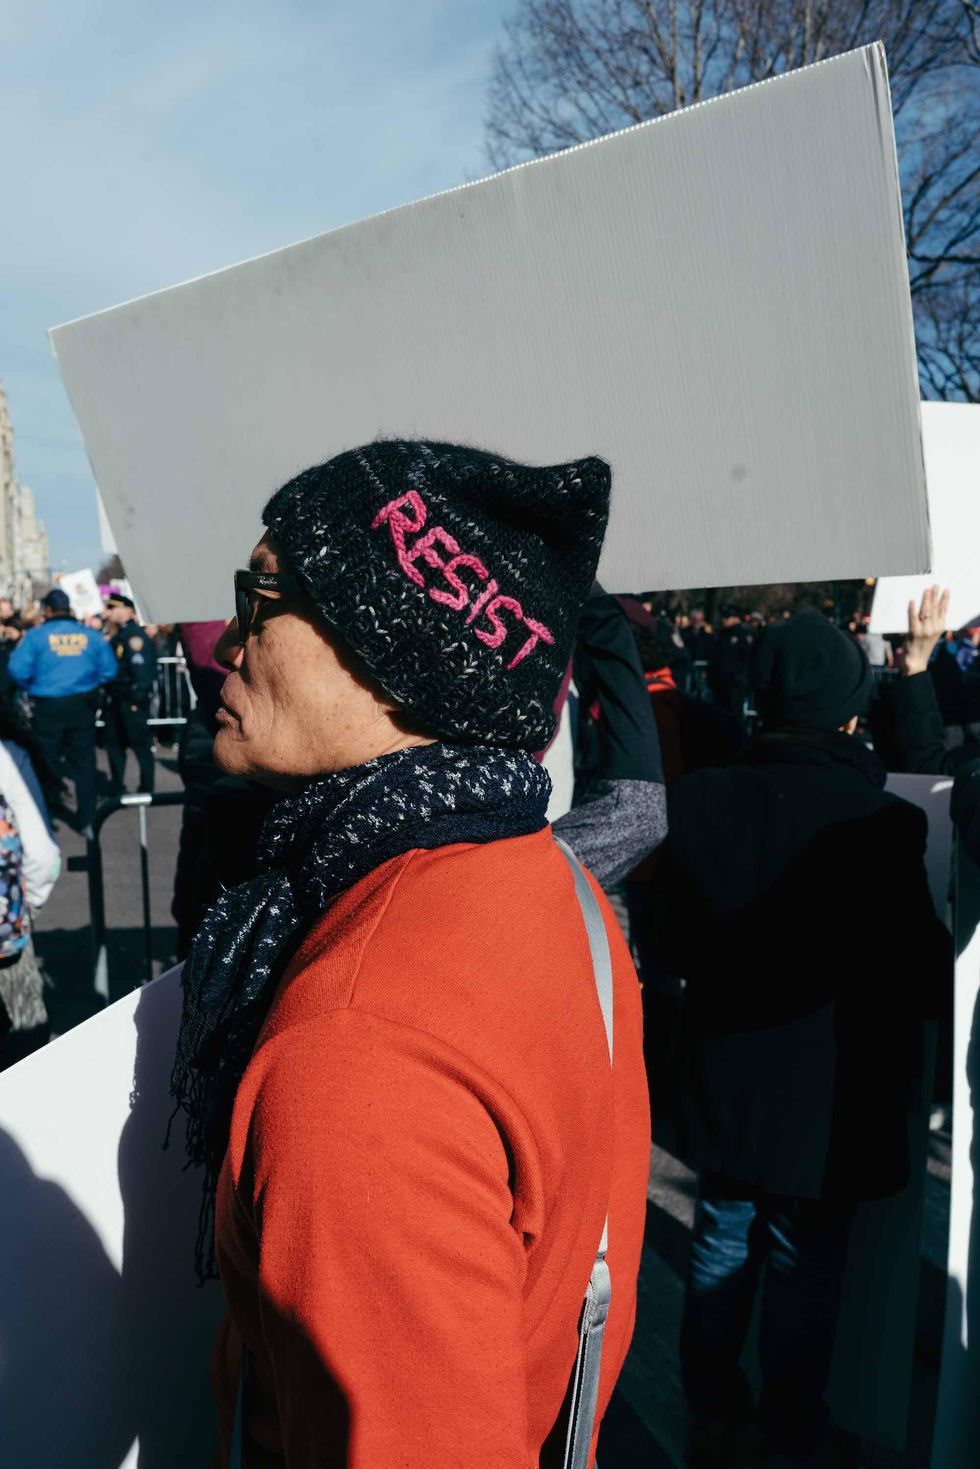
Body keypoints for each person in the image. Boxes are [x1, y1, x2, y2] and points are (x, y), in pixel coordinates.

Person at [169, 440, 651, 1467]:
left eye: (262, 598)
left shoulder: (356, 1053)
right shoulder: (554, 882)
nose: (225, 645)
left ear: (398, 656)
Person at [653, 611, 951, 1468]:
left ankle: (710, 1406)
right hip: (825, 1107)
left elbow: (668, 946)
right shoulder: (880, 824)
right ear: (849, 710)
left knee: (720, 1238)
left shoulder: (702, 799)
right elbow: (922, 976)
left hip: (727, 1088)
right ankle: (791, 1422)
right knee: (801, 1269)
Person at [7, 589, 117, 835]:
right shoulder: (91, 636)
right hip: (82, 705)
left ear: (47, 610)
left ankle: (49, 813)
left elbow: (17, 670)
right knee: (84, 762)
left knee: (46, 759)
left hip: (47, 706)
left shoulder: (36, 637)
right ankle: (87, 819)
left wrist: (33, 685)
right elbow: (109, 670)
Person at [102, 593, 157, 795]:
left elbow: (142, 672)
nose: (109, 612)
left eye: (114, 608)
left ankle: (147, 787)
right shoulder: (119, 635)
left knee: (140, 746)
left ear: (128, 610)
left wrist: (136, 699)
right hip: (116, 700)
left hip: (130, 700)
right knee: (115, 746)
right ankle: (117, 786)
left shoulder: (133, 636)